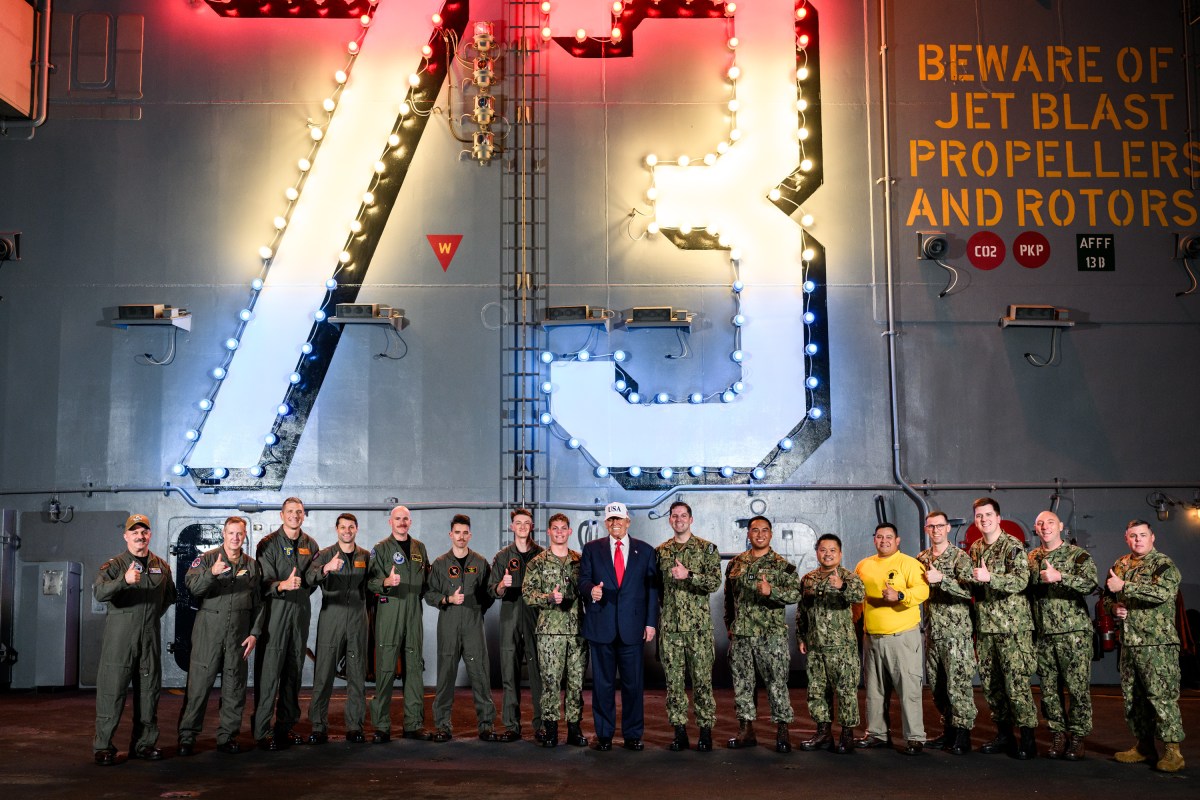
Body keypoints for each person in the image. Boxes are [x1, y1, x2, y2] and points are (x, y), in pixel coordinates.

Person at [93, 514, 177, 766]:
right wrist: (123, 581)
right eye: (135, 532)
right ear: (126, 536)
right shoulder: (116, 565)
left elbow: (168, 598)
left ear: (149, 535)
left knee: (149, 693)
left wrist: (148, 618)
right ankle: (103, 746)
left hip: (149, 637)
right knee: (112, 692)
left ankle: (144, 745)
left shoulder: (161, 566)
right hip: (120, 639)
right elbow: (99, 592)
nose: (140, 536)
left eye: (144, 531)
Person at [177, 516, 262, 757]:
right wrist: (211, 573)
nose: (235, 538)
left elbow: (259, 604)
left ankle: (228, 736)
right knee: (198, 688)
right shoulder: (206, 559)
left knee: (234, 688)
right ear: (223, 534)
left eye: (240, 534)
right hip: (208, 634)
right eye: (231, 533)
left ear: (244, 536)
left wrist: (254, 633)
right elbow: (192, 588)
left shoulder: (252, 565)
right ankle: (187, 736)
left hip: (238, 636)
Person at [1106, 519, 1186, 772]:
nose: (1138, 539)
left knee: (1162, 697)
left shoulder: (1163, 564)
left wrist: (1125, 586)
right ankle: (1143, 745)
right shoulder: (1121, 564)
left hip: (1157, 644)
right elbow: (1108, 593)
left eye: (1143, 535)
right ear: (1126, 538)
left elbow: (1162, 593)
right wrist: (1114, 606)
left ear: (1153, 537)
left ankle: (1173, 751)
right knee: (1134, 698)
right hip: (1130, 644)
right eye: (1133, 535)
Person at [579, 501, 659, 751]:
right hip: (601, 626)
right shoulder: (592, 549)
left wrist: (650, 623)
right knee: (602, 685)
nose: (615, 524)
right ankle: (604, 735)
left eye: (619, 519)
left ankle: (633, 734)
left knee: (633, 685)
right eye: (611, 520)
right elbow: (582, 580)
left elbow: (652, 590)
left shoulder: (645, 551)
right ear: (606, 523)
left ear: (628, 521)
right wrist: (591, 591)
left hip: (632, 628)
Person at [723, 515, 801, 753]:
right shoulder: (735, 564)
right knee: (743, 684)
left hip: (771, 636)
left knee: (777, 684)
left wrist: (771, 591)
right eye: (755, 530)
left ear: (771, 534)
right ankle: (746, 730)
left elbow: (796, 595)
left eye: (764, 530)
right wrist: (730, 624)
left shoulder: (782, 565)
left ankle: (782, 732)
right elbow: (728, 599)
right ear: (748, 534)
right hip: (743, 635)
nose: (759, 534)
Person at [968, 497, 1038, 759]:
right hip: (986, 628)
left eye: (988, 515)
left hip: (1012, 628)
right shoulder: (975, 548)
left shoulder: (1012, 546)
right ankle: (1004, 735)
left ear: (998, 518)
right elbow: (976, 585)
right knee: (992, 684)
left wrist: (990, 578)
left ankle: (1028, 738)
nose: (983, 519)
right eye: (979, 516)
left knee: (1016, 684)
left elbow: (1021, 581)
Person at [854, 522, 929, 755]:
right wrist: (853, 623)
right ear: (874, 539)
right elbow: (858, 599)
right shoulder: (864, 565)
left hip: (902, 637)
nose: (884, 541)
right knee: (874, 691)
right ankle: (877, 733)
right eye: (879, 537)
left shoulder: (909, 564)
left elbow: (923, 591)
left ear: (897, 541)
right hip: (872, 638)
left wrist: (900, 594)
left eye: (889, 537)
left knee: (909, 690)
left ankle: (915, 737)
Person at [1027, 510, 1098, 760]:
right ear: (1036, 529)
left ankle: (1077, 737)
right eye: (1040, 523)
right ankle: (1057, 733)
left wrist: (1061, 577)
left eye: (1050, 522)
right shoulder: (1032, 558)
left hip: (1073, 634)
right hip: (1044, 635)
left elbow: (1091, 584)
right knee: (1048, 689)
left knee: (1077, 689)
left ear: (1061, 526)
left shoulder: (1077, 555)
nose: (1045, 527)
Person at [424, 514, 500, 742]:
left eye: (465, 532)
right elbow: (429, 594)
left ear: (470, 535)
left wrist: (475, 610)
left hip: (473, 625)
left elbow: (488, 594)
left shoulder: (479, 562)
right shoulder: (439, 564)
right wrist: (447, 600)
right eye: (457, 532)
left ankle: (486, 726)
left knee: (480, 676)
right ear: (451, 535)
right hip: (448, 624)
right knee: (446, 675)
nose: (461, 536)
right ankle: (443, 726)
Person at [253, 497, 318, 751]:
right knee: (268, 675)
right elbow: (262, 583)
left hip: (299, 614)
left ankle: (285, 728)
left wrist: (298, 591)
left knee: (293, 673)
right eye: (290, 512)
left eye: (299, 512)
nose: (295, 515)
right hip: (275, 615)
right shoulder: (267, 544)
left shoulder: (311, 545)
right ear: (282, 515)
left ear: (304, 515)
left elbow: (311, 581)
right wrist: (282, 586)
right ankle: (261, 732)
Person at [656, 501, 721, 752]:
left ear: (691, 520)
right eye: (674, 516)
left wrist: (689, 576)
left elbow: (715, 582)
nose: (679, 519)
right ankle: (679, 732)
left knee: (703, 682)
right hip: (671, 629)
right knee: (674, 684)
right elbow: (658, 590)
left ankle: (705, 732)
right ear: (670, 520)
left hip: (699, 629)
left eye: (683, 516)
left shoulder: (707, 549)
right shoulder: (661, 551)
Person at [367, 504, 432, 742]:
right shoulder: (380, 549)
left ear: (410, 522)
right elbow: (370, 582)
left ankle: (413, 724)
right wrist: (386, 581)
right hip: (390, 610)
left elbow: (426, 581)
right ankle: (381, 726)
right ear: (390, 522)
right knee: (385, 669)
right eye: (398, 519)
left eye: (406, 519)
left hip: (413, 612)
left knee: (414, 668)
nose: (402, 522)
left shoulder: (419, 548)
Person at [522, 513, 589, 748]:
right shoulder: (538, 563)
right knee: (550, 682)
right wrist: (549, 597)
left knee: (576, 683)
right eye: (555, 529)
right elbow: (528, 595)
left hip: (577, 632)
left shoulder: (580, 561)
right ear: (548, 532)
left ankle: (574, 728)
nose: (559, 532)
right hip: (550, 633)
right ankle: (550, 729)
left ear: (569, 532)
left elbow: (587, 590)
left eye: (563, 529)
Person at [305, 513, 371, 744]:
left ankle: (354, 726)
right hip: (331, 618)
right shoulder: (324, 555)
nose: (347, 531)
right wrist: (326, 568)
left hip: (357, 620)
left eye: (351, 527)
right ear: (336, 529)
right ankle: (318, 726)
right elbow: (309, 577)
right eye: (343, 527)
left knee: (356, 675)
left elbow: (370, 585)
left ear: (356, 529)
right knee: (323, 674)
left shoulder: (365, 555)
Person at [796, 533, 864, 755]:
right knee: (817, 691)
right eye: (823, 550)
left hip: (842, 647)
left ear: (840, 553)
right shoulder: (808, 579)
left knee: (845, 691)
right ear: (817, 552)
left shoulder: (849, 577)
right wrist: (801, 636)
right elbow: (802, 610)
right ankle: (823, 733)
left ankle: (847, 735)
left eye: (832, 550)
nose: (827, 554)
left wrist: (842, 586)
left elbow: (859, 595)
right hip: (816, 646)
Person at [917, 510, 976, 755]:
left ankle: (963, 735)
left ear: (948, 528)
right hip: (934, 631)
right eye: (931, 527)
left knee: (958, 685)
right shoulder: (921, 558)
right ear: (926, 529)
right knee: (938, 686)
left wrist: (942, 579)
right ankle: (949, 730)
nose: (936, 530)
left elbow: (970, 590)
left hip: (957, 633)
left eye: (940, 526)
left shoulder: (960, 557)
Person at [490, 508, 545, 742]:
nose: (522, 526)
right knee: (509, 672)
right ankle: (512, 725)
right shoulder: (503, 556)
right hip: (511, 613)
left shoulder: (542, 554)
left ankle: (542, 725)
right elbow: (493, 590)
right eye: (518, 523)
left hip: (535, 615)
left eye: (526, 523)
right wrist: (502, 584)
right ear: (512, 527)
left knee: (538, 672)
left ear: (531, 526)